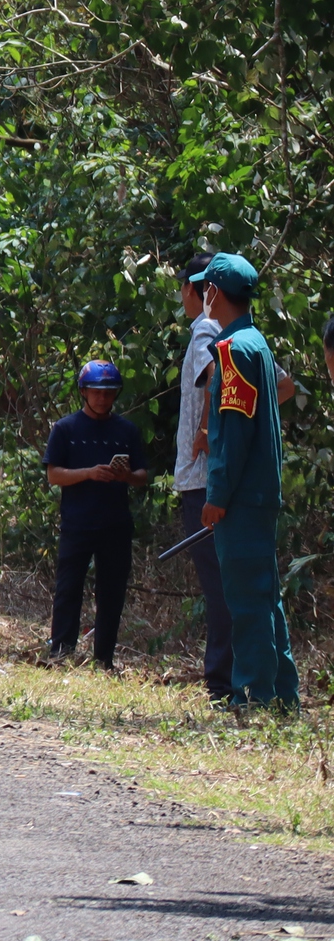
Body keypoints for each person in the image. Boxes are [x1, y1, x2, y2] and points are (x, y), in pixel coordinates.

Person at [193, 252, 299, 709]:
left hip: (241, 496)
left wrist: (217, 495)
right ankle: (280, 695)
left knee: (247, 600)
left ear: (214, 293)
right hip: (259, 492)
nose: (202, 296)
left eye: (205, 289)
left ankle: (254, 695)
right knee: (265, 596)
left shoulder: (233, 350)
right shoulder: (257, 341)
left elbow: (232, 433)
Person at [44, 360, 147, 667]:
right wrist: (88, 473)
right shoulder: (65, 429)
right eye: (96, 392)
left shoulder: (127, 431)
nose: (102, 399)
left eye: (108, 393)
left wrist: (125, 475)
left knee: (112, 593)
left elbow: (143, 475)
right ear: (84, 392)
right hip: (77, 522)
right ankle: (60, 653)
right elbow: (53, 474)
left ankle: (104, 658)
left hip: (115, 523)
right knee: (68, 588)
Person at [171, 253, 233, 697]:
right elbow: (283, 386)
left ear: (194, 290)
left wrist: (210, 428)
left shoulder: (204, 333)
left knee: (217, 586)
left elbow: (212, 376)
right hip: (223, 477)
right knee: (229, 581)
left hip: (202, 480)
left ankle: (221, 680)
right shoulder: (240, 337)